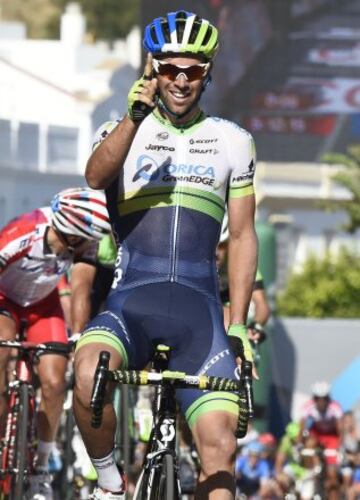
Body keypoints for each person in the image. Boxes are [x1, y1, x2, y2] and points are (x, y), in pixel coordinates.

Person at [73, 9, 258, 500]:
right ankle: (111, 484)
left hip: (202, 320)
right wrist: (134, 117)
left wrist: (238, 325)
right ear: (152, 70)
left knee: (220, 453)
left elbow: (241, 237)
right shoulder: (122, 130)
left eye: (192, 70)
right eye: (170, 68)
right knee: (88, 372)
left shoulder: (233, 142)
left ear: (207, 74)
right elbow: (95, 176)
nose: (180, 80)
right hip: (130, 305)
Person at [0, 187, 111, 499]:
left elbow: (80, 290)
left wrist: (78, 337)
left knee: (54, 380)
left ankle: (41, 468)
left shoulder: (84, 245)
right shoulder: (22, 234)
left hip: (42, 305)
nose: (96, 246)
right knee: (3, 354)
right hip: (4, 298)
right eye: (92, 239)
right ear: (73, 235)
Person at [216, 212, 270, 342]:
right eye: (213, 245)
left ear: (230, 245)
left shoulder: (241, 264)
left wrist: (256, 325)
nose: (217, 252)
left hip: (235, 317)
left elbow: (261, 304)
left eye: (222, 245)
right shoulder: (198, 264)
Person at [299, 381, 344, 500]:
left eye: (324, 398)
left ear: (328, 398)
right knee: (310, 444)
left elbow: (340, 431)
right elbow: (302, 429)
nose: (321, 402)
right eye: (318, 398)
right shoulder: (308, 406)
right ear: (314, 398)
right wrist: (300, 444)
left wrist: (340, 447)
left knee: (332, 476)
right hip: (317, 435)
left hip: (331, 437)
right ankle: (311, 470)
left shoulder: (335, 407)